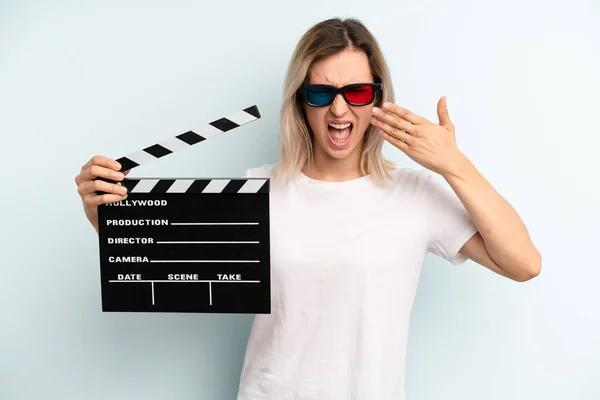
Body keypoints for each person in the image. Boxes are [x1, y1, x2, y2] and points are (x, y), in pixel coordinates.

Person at [74, 17, 541, 400]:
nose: (339, 110)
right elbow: (161, 260)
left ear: (377, 97)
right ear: (300, 103)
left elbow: (523, 263)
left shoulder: (415, 194)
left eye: (356, 92)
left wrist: (454, 165)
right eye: (321, 93)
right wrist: (105, 215)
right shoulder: (256, 190)